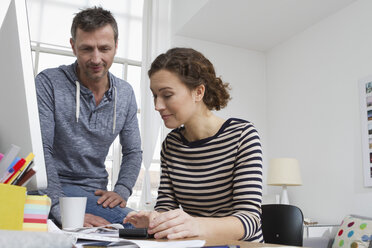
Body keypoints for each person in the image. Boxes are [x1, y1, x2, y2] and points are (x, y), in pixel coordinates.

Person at [124, 47, 263, 241]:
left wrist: (195, 224)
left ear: (198, 92)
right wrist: (156, 219)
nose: (157, 105)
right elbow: (166, 206)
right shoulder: (171, 144)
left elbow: (249, 220)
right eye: (155, 95)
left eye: (167, 95)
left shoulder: (242, 135)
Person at [35, 6, 142, 227]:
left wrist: (122, 190)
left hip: (93, 192)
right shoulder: (49, 83)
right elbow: (41, 150)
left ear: (116, 46)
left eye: (104, 48)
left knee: (138, 225)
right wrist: (58, 209)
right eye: (86, 49)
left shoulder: (125, 93)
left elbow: (133, 151)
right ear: (73, 46)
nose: (96, 58)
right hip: (50, 187)